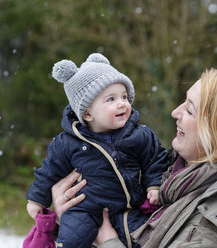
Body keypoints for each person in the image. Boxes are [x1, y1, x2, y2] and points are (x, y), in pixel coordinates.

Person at [52, 67, 217, 248]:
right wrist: (77, 219)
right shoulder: (173, 182)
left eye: (189, 109)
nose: (175, 112)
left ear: (216, 131)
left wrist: (106, 240)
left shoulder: (215, 221)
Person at [25, 53, 170, 248]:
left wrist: (154, 186)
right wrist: (37, 199)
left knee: (140, 238)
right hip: (84, 208)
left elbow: (155, 159)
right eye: (111, 99)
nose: (122, 103)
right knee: (72, 239)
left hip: (127, 208)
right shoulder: (68, 142)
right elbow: (49, 171)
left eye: (124, 97)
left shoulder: (139, 135)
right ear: (87, 113)